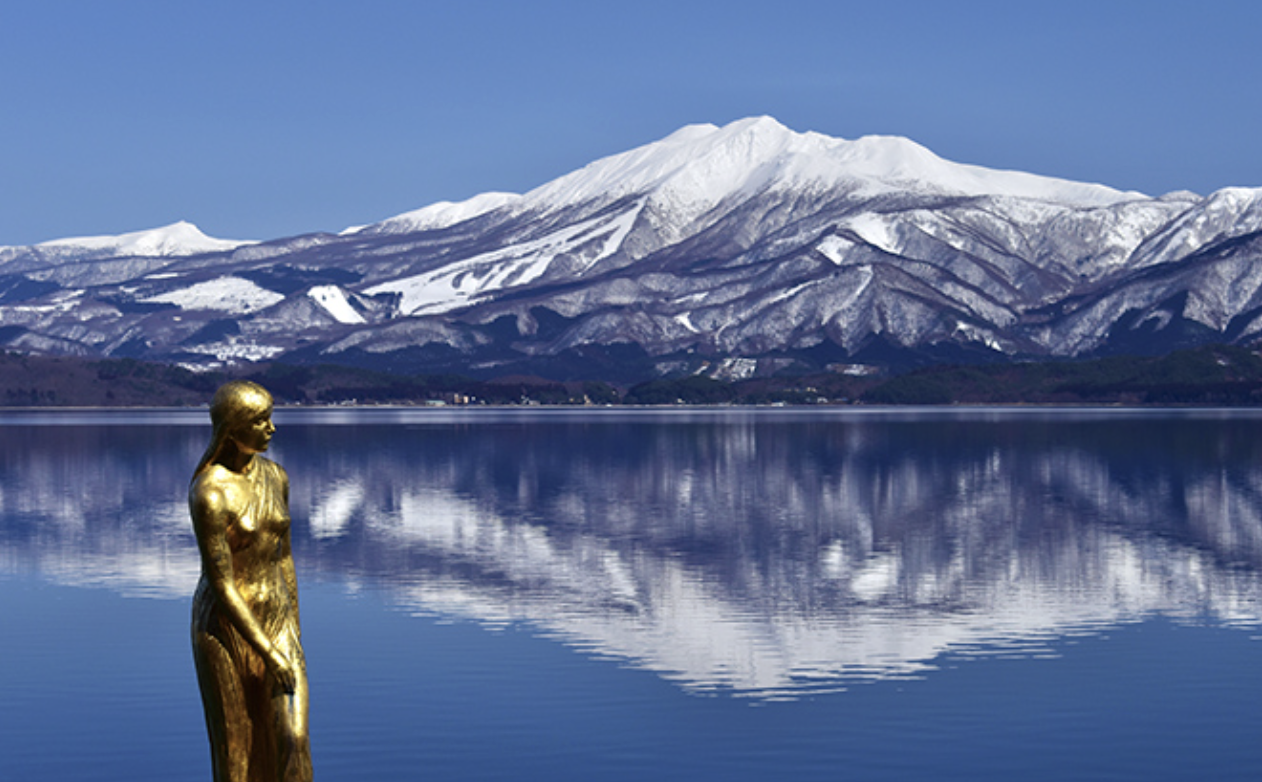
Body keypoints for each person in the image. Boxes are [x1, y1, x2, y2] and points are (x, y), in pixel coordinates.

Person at [189, 380, 312, 782]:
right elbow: (220, 582)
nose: (271, 428)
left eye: (270, 417)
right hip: (227, 626)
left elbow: (285, 556)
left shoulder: (276, 477)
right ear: (232, 427)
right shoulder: (210, 492)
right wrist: (265, 650)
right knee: (237, 748)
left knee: (293, 738)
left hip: (277, 617)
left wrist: (292, 628)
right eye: (260, 421)